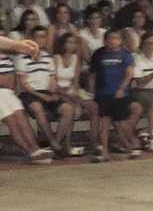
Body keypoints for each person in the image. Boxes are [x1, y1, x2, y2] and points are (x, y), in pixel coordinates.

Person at [15, 26, 77, 156]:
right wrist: (42, 96)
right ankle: (53, 142)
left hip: (47, 92)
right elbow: (23, 85)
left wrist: (53, 93)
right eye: (38, 37)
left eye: (43, 36)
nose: (41, 40)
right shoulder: (22, 57)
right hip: (30, 94)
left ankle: (56, 144)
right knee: (38, 108)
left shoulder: (48, 57)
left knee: (68, 109)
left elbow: (52, 80)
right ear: (32, 39)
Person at [89, 29, 143, 162]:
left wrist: (121, 89)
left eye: (116, 38)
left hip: (119, 94)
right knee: (105, 122)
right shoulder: (98, 54)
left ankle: (131, 146)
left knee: (122, 122)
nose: (113, 41)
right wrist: (92, 92)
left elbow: (129, 74)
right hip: (103, 93)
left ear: (120, 40)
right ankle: (104, 151)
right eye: (110, 38)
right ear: (105, 40)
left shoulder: (125, 55)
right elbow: (93, 75)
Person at [0, 34, 53, 164]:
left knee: (21, 117)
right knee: (12, 121)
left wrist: (20, 45)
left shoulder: (8, 57)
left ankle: (36, 150)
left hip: (8, 92)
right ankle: (29, 152)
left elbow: (11, 79)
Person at [53, 33, 100, 156]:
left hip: (72, 91)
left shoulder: (76, 59)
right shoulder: (56, 58)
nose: (72, 45)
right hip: (57, 91)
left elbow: (76, 82)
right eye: (69, 42)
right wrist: (68, 96)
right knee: (73, 109)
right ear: (63, 44)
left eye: (74, 42)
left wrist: (76, 96)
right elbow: (53, 83)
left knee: (94, 107)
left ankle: (94, 140)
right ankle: (65, 144)